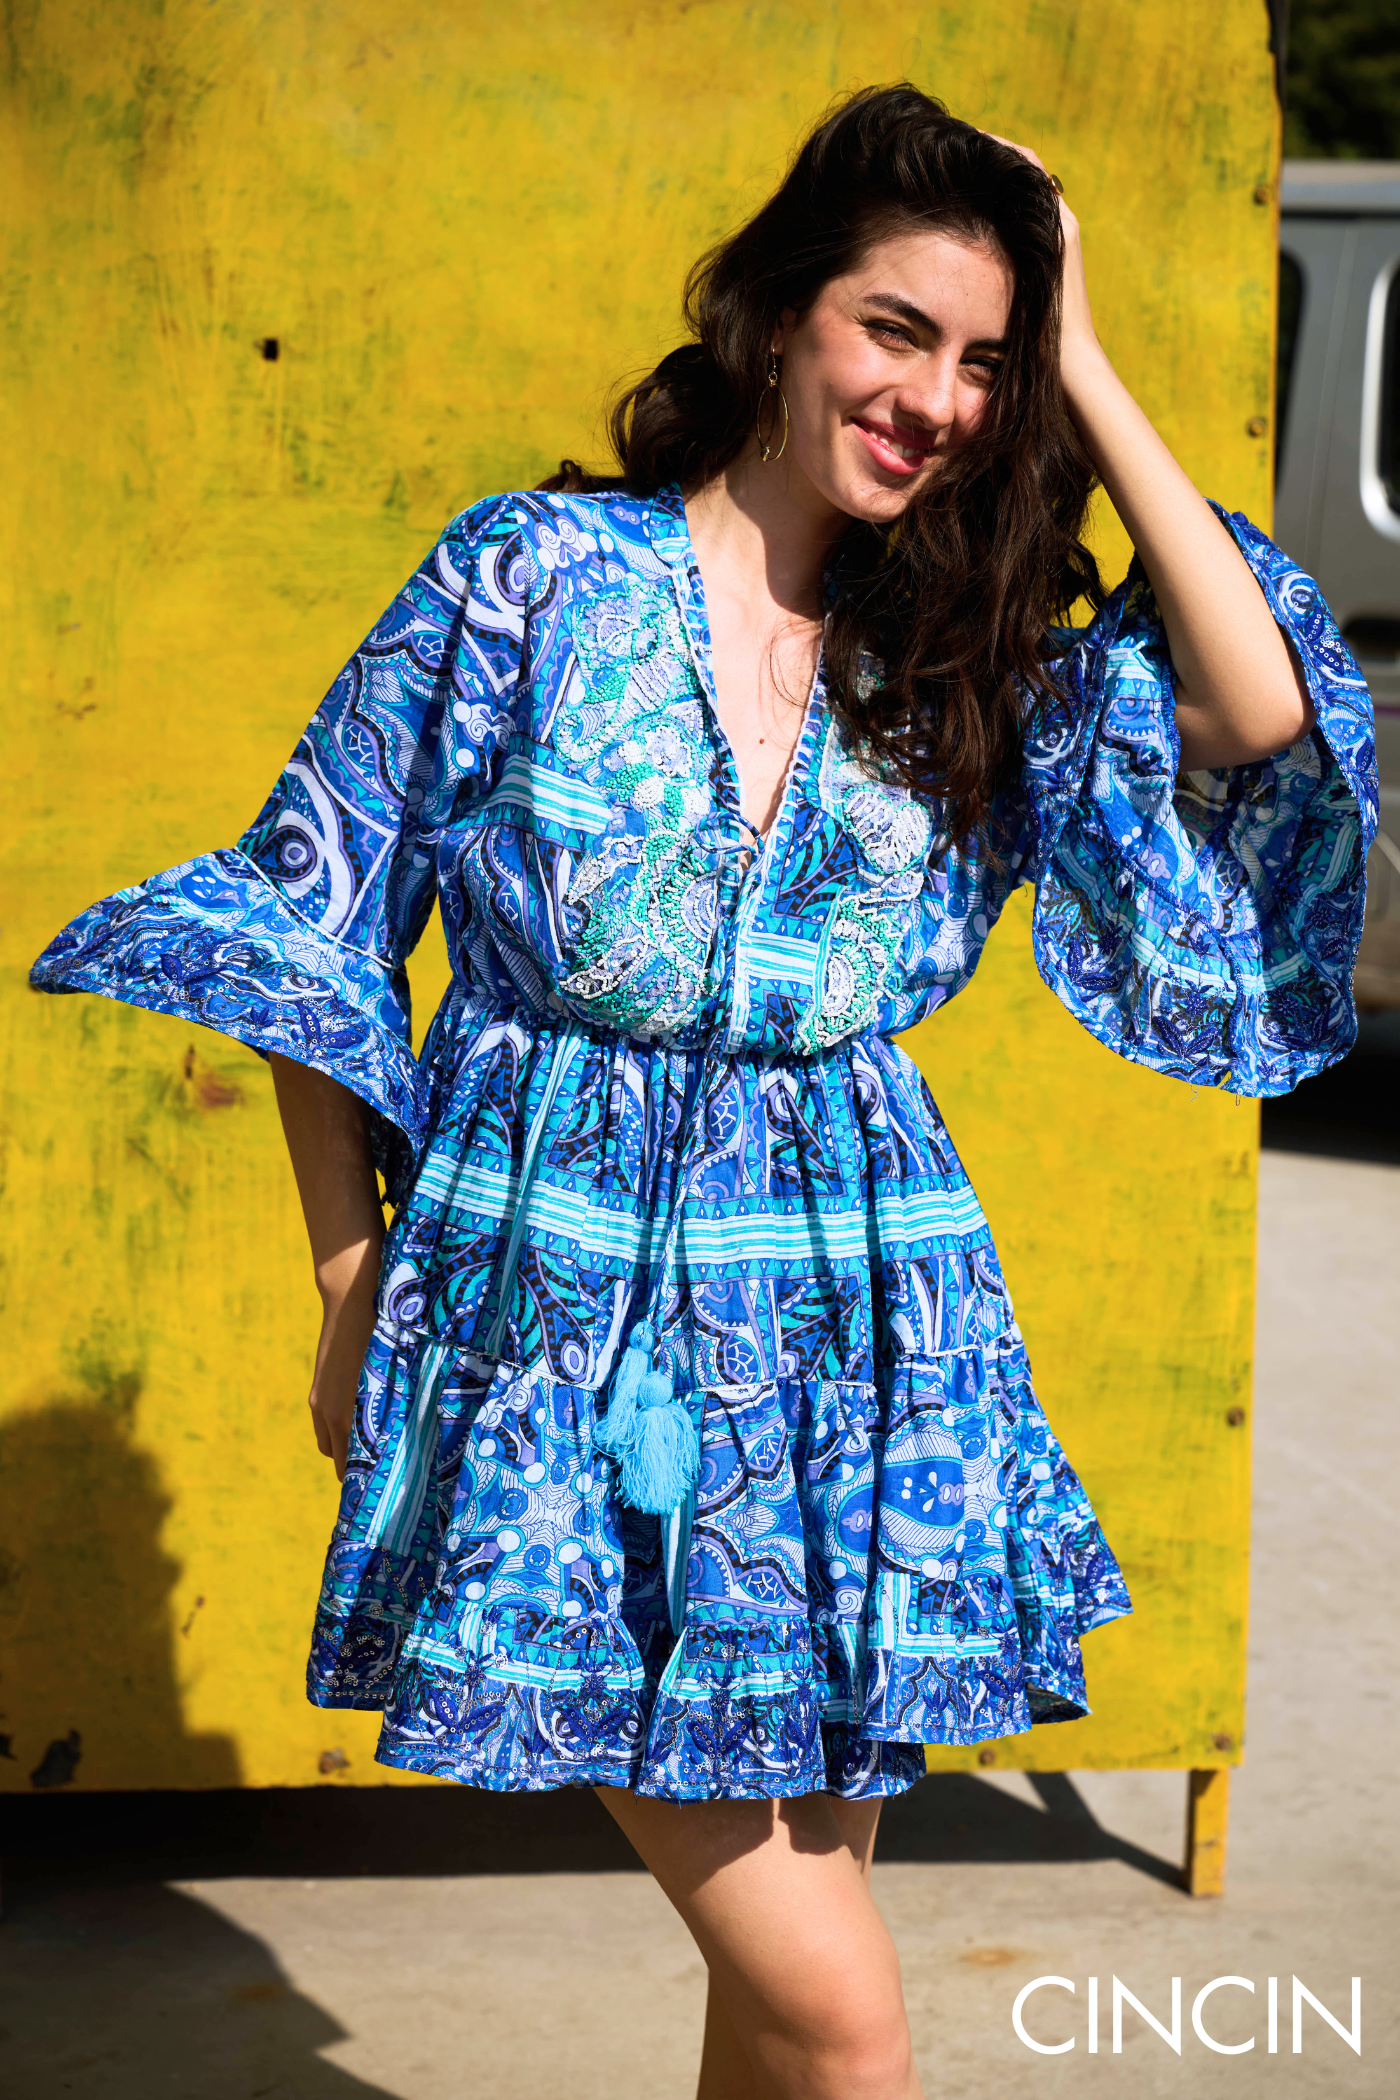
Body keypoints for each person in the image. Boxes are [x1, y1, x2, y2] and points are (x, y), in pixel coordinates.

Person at [32, 83, 1374, 2100]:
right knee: (843, 2018)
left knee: (774, 2003)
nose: (932, 397)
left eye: (982, 363)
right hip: (554, 1323)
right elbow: (311, 910)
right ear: (773, 319)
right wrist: (345, 1281)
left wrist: (1085, 370)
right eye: (894, 329)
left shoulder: (962, 649)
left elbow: (1259, 714)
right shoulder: (530, 579)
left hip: (855, 1324)